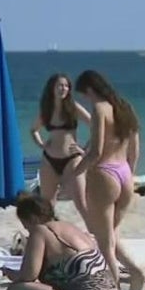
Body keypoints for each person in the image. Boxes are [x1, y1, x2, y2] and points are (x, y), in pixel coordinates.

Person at [0, 194, 122, 290]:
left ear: (32, 219)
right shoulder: (70, 228)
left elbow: (29, 276)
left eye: (25, 225)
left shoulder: (40, 231)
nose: (27, 230)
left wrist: (12, 275)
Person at [72, 70, 145, 290]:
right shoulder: (125, 108)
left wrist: (75, 173)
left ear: (90, 90)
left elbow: (96, 151)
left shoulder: (100, 109)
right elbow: (135, 150)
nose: (86, 99)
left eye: (85, 95)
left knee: (105, 245)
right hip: (124, 173)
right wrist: (129, 175)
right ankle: (136, 274)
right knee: (110, 236)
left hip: (104, 173)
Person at [30, 73, 91, 218]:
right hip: (49, 160)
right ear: (52, 88)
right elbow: (33, 130)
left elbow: (95, 126)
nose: (63, 88)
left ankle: (98, 235)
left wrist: (84, 149)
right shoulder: (47, 109)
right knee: (47, 204)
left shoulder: (73, 107)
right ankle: (51, 236)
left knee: (81, 203)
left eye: (66, 86)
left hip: (72, 159)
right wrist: (41, 144)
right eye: (59, 85)